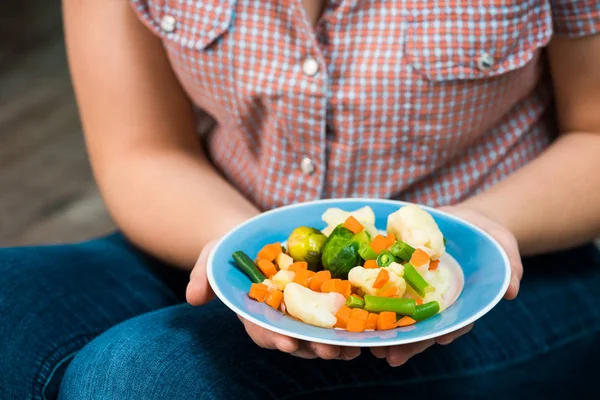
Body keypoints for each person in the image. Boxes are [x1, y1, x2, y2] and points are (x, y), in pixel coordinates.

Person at [1, 0, 599, 399]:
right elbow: (143, 150)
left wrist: (486, 225)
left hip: (510, 275)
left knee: (143, 372)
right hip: (217, 235)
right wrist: (256, 264)